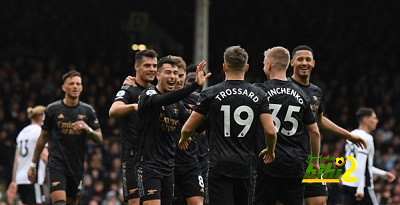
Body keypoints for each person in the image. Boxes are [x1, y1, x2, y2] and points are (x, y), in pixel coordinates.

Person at [179, 46, 277, 205]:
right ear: (246, 67)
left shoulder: (211, 93)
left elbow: (188, 128)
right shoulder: (259, 94)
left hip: (219, 165)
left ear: (224, 66)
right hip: (246, 165)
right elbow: (271, 132)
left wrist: (184, 138)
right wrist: (271, 150)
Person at [288, 45, 368, 204]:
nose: (304, 63)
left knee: (320, 201)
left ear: (313, 63)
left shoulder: (316, 91)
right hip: (287, 157)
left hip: (310, 160)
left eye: (308, 59)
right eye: (300, 59)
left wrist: (349, 135)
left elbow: (319, 120)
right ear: (291, 63)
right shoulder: (284, 87)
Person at [137, 56, 210, 205]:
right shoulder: (149, 95)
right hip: (149, 167)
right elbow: (163, 100)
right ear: (158, 75)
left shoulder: (177, 105)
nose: (173, 77)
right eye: (168, 72)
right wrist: (194, 85)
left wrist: (217, 107)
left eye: (176, 73)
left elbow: (197, 125)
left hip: (169, 168)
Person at [254, 46, 321, 205]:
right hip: (295, 163)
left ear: (269, 65)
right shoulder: (303, 95)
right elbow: (315, 132)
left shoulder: (259, 91)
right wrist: (315, 161)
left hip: (268, 162)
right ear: (287, 65)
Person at [28, 70, 103, 205]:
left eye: (78, 84)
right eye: (71, 84)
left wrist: (88, 129)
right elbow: (43, 138)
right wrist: (33, 164)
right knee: (59, 202)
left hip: (77, 166)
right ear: (64, 87)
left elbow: (99, 138)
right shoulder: (52, 109)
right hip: (57, 164)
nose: (75, 86)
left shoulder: (88, 111)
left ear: (81, 88)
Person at [109, 49, 158, 205]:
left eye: (154, 65)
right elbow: (113, 110)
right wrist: (135, 106)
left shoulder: (155, 91)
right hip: (133, 158)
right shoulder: (128, 89)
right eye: (147, 65)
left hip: (155, 157)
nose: (152, 69)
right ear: (136, 67)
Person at [169, 56, 205, 205]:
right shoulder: (160, 97)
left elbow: (202, 127)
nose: (177, 79)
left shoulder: (197, 98)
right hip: (168, 162)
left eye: (181, 75)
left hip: (191, 161)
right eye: (174, 75)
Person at [343, 107, 396, 205]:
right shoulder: (366, 138)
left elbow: (359, 165)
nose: (377, 121)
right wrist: (360, 189)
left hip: (347, 183)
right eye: (374, 118)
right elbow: (361, 164)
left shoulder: (351, 135)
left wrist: (383, 174)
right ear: (366, 120)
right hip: (362, 186)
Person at [7, 106, 48, 204]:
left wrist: (14, 180)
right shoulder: (39, 131)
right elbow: (44, 155)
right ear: (42, 117)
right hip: (33, 178)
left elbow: (16, 160)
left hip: (20, 179)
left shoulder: (22, 133)